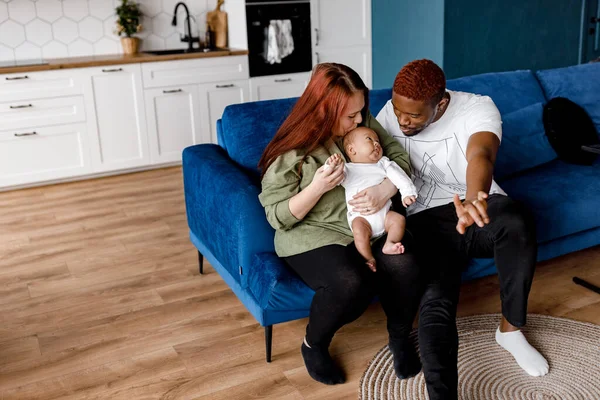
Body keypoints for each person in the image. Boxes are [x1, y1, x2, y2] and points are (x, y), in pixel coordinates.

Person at [376, 59, 549, 399]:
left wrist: (474, 199)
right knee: (437, 301)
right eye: (398, 111)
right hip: (426, 222)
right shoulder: (389, 113)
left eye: (413, 115)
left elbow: (481, 153)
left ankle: (510, 330)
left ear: (440, 104)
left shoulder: (477, 107)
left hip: (478, 207)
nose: (402, 121)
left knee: (517, 220)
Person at [258, 63, 423, 385]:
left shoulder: (360, 124)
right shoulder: (294, 151)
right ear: (324, 110)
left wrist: (384, 189)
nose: (360, 121)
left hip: (369, 224)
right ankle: (314, 344)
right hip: (313, 232)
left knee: (406, 263)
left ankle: (399, 337)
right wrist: (317, 187)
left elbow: (398, 159)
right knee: (350, 283)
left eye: (361, 112)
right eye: (350, 116)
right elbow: (277, 217)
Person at [323, 127, 418, 271]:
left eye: (377, 141)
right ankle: (368, 258)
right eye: (369, 139)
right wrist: (331, 165)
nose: (376, 143)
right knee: (359, 231)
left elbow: (399, 176)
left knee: (399, 220)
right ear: (352, 150)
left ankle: (390, 243)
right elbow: (333, 178)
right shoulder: (348, 169)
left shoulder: (384, 163)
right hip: (362, 219)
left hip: (385, 216)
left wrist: (407, 192)